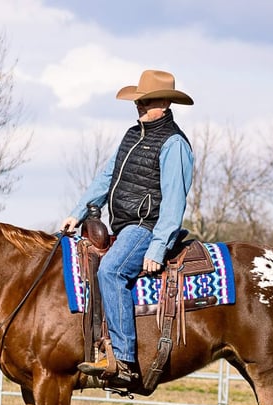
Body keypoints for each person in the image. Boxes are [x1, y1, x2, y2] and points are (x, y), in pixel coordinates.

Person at [60, 69, 194, 385]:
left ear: (165, 103)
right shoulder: (132, 135)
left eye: (146, 102)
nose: (140, 106)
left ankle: (124, 361)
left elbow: (174, 202)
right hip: (122, 224)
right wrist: (78, 212)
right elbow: (107, 177)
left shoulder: (174, 144)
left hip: (145, 227)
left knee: (111, 271)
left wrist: (158, 247)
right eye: (138, 101)